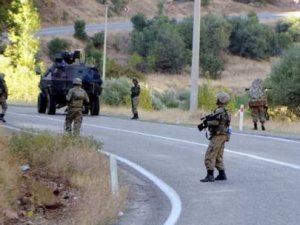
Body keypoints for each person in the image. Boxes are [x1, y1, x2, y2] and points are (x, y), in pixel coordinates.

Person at [200, 92, 231, 183]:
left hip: (218, 136)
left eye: (218, 99)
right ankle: (222, 174)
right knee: (218, 155)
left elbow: (216, 122)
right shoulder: (226, 110)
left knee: (210, 154)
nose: (216, 100)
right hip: (223, 135)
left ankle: (210, 175)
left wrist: (206, 123)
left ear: (221, 100)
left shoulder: (220, 111)